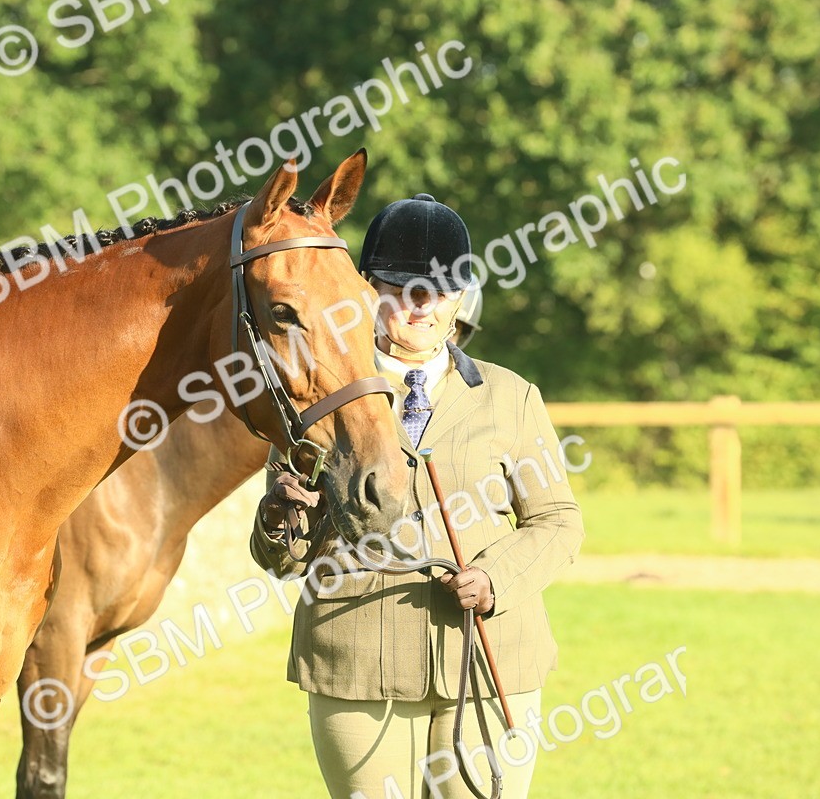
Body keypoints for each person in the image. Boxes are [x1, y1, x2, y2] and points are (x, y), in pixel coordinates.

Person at [249, 194, 585, 799]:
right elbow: (283, 559)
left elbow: (558, 522)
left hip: (488, 659)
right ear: (365, 289)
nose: (422, 304)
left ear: (462, 296)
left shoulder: (512, 397)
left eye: (442, 288)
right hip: (356, 661)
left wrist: (494, 578)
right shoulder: (315, 393)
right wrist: (281, 520)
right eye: (402, 286)